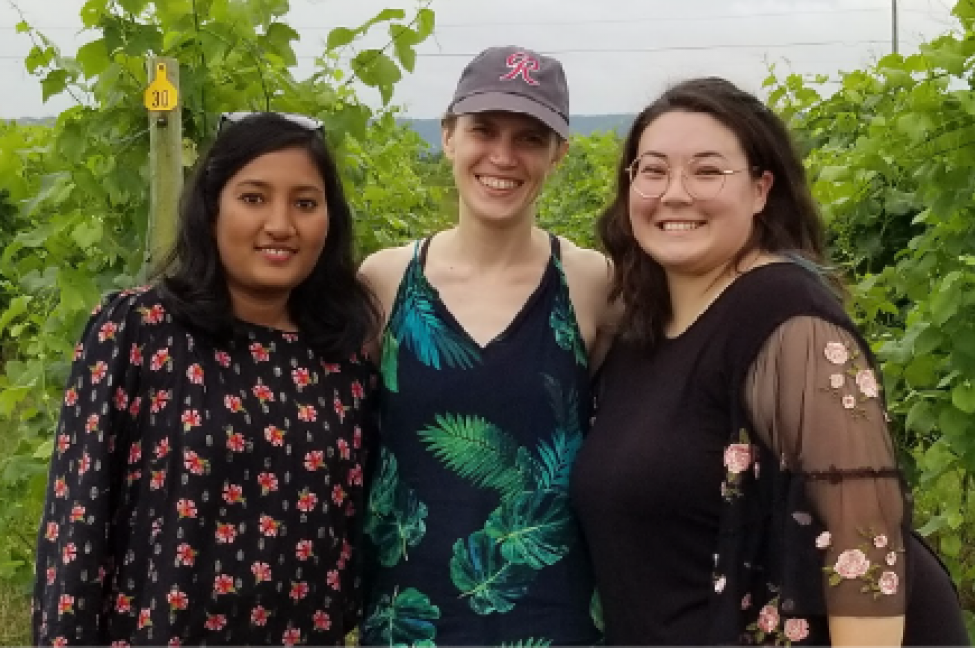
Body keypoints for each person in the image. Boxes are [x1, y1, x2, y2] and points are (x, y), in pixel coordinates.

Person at [570, 78, 970, 648]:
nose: (674, 192)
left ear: (761, 189)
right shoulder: (640, 330)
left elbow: (864, 544)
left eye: (707, 171)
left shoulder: (787, 318)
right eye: (653, 170)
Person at [32, 112, 379, 647]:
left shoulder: (343, 360)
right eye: (254, 197)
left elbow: (350, 542)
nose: (282, 224)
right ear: (211, 207)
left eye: (305, 203)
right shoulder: (139, 331)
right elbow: (76, 527)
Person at [357, 46, 616, 647]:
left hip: (555, 622)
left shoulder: (593, 284)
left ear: (559, 154)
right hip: (407, 620)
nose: (502, 156)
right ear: (448, 136)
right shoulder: (385, 282)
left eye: (529, 137)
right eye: (483, 130)